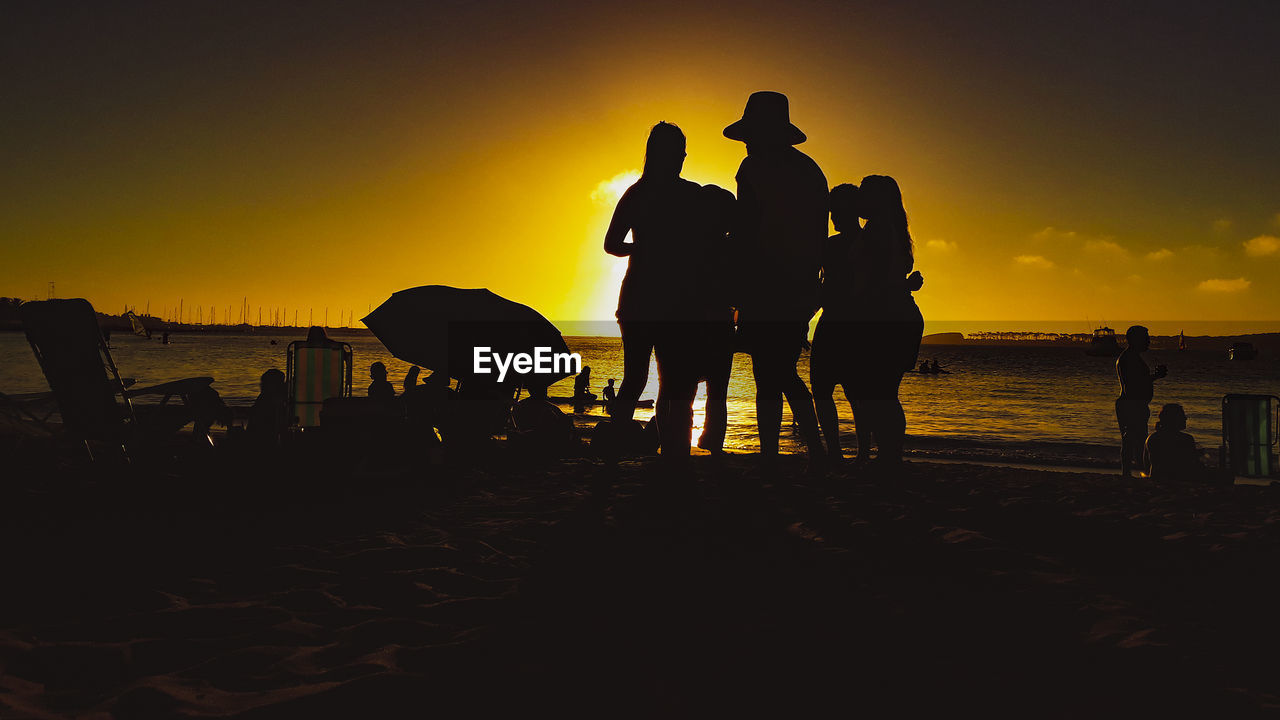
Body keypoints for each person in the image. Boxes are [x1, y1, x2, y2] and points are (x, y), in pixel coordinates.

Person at [724, 91, 827, 467]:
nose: (748, 143)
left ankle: (775, 451)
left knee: (770, 374)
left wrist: (732, 288)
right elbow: (817, 234)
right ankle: (811, 446)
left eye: (751, 134)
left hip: (766, 283)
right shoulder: (811, 170)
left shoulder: (752, 169)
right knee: (780, 370)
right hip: (801, 285)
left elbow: (744, 230)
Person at [603, 122, 704, 431]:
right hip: (643, 299)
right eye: (677, 151)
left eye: (683, 152)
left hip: (668, 300)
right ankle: (619, 442)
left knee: (663, 378)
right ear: (661, 154)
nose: (682, 157)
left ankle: (660, 443)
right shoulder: (641, 194)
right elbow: (611, 244)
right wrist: (644, 247)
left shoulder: (685, 193)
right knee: (642, 377)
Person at [846, 175, 924, 469]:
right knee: (882, 391)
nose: (859, 201)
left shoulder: (878, 231)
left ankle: (889, 456)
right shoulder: (888, 230)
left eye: (864, 195)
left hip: (886, 319)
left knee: (880, 391)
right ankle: (889, 455)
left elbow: (877, 283)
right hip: (896, 316)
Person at [1116, 325, 1168, 477]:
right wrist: (1154, 377)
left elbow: (1137, 381)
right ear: (1134, 339)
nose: (1148, 341)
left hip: (1134, 404)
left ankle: (1135, 472)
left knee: (1134, 440)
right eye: (1145, 338)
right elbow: (1131, 385)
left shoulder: (1131, 357)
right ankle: (1130, 473)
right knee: (1131, 439)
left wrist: (1155, 377)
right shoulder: (1128, 358)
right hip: (1131, 404)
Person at [510, 383, 573, 456]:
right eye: (544, 389)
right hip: (539, 441)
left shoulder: (520, 405)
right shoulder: (550, 408)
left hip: (527, 440)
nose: (546, 392)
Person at [1145, 403, 1200, 481]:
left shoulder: (1152, 438)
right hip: (1178, 479)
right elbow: (1191, 464)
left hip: (1156, 477)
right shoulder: (1186, 439)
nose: (1185, 418)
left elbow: (1146, 464)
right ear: (1174, 419)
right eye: (1182, 416)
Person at [247, 368, 289, 445]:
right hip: (263, 443)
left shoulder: (265, 399)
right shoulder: (269, 401)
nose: (284, 385)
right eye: (282, 383)